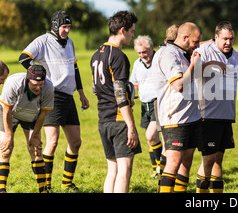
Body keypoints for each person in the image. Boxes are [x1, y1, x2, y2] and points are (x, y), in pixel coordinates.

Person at [19, 10, 89, 191]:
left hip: (68, 96)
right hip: (52, 95)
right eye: (64, 27)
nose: (67, 30)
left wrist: (81, 94)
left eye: (69, 27)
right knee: (53, 141)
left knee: (76, 142)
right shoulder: (43, 40)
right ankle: (46, 186)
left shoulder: (70, 43)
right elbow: (24, 57)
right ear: (56, 26)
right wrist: (39, 77)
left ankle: (67, 183)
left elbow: (76, 69)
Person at [90, 11, 141, 193]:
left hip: (103, 119)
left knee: (112, 171)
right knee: (124, 172)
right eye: (132, 31)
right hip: (119, 120)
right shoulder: (118, 55)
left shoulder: (96, 54)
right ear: (122, 30)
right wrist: (131, 126)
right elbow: (119, 94)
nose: (133, 35)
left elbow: (96, 89)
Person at [152, 22, 202, 193]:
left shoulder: (184, 53)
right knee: (173, 163)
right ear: (184, 38)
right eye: (195, 41)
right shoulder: (168, 54)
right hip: (175, 117)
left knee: (186, 163)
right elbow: (179, 85)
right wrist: (193, 65)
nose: (197, 45)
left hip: (192, 116)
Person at [195, 21, 238, 193]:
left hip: (227, 115)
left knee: (218, 159)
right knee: (208, 159)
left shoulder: (237, 56)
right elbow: (192, 69)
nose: (228, 42)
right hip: (208, 114)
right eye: (225, 39)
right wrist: (210, 66)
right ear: (215, 37)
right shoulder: (204, 51)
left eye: (231, 39)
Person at [0, 65, 54, 193]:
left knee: (36, 150)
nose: (38, 87)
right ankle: (2, 190)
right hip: (10, 112)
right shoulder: (13, 83)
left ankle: (43, 190)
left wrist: (35, 136)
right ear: (28, 80)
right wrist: (9, 136)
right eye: (35, 84)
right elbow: (6, 111)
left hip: (32, 114)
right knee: (5, 149)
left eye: (41, 84)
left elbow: (43, 114)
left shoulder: (48, 87)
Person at [130, 35, 162, 178]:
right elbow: (133, 83)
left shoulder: (159, 60)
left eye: (145, 52)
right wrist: (131, 96)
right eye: (139, 53)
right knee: (150, 139)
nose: (143, 55)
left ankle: (162, 167)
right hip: (145, 104)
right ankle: (156, 170)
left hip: (158, 102)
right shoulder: (137, 63)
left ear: (152, 48)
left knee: (151, 135)